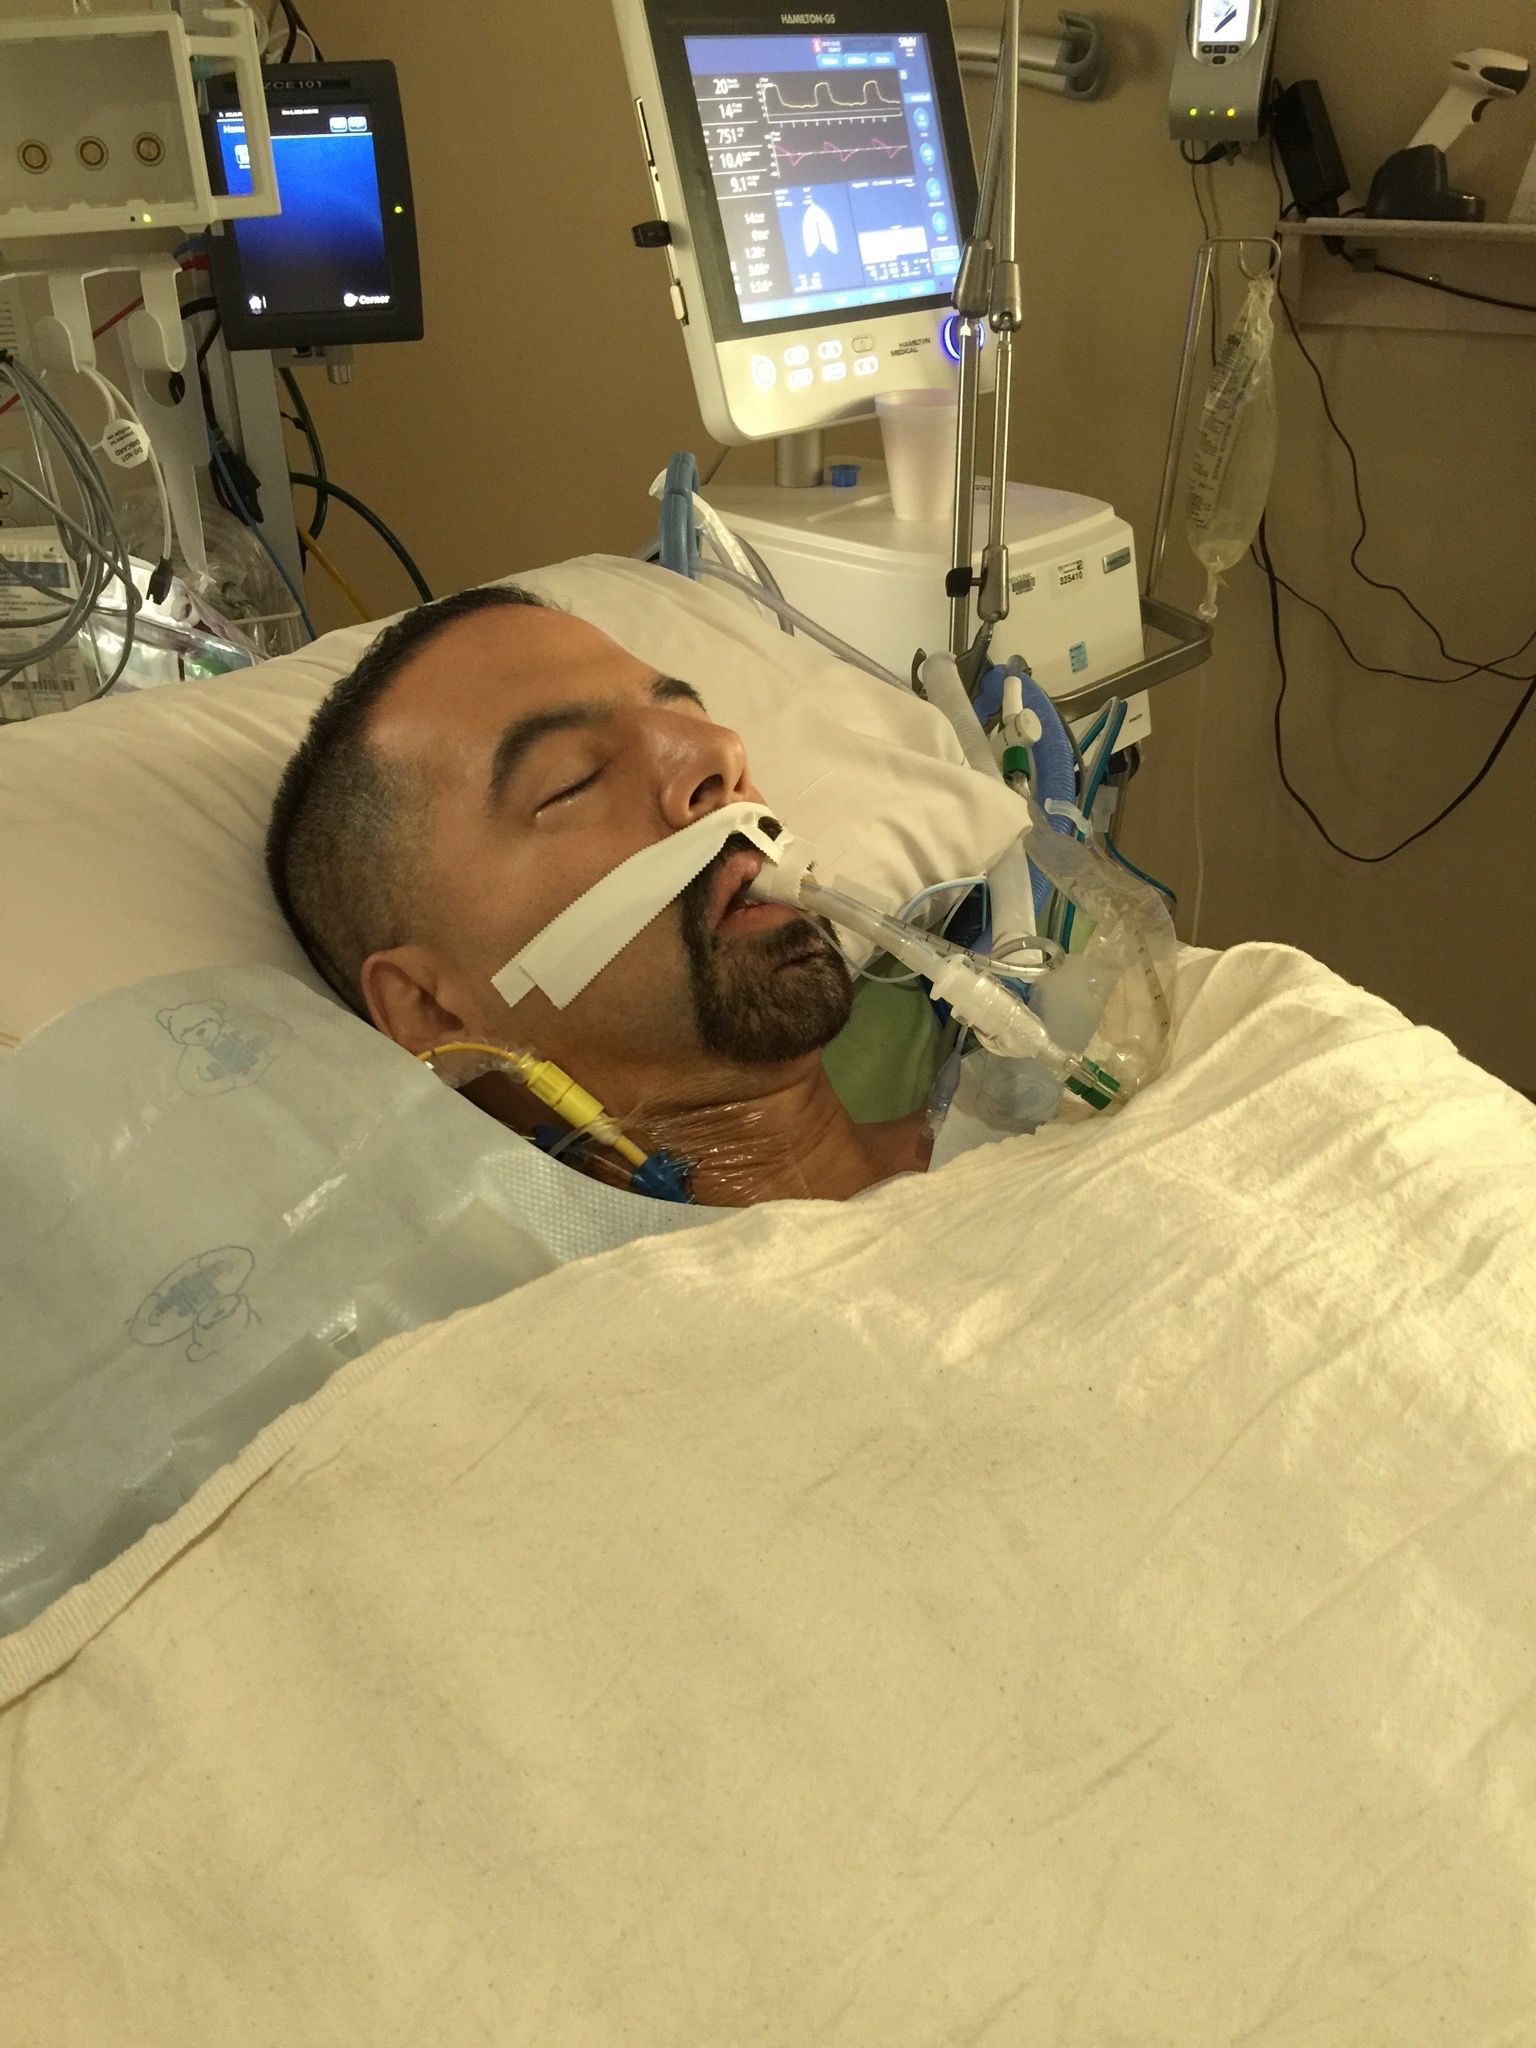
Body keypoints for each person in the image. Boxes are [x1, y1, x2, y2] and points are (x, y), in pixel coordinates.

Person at [266, 585, 933, 1205]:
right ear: (436, 1014)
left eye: (691, 718)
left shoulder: (991, 1134)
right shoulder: (532, 1303)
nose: (721, 754)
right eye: (573, 781)